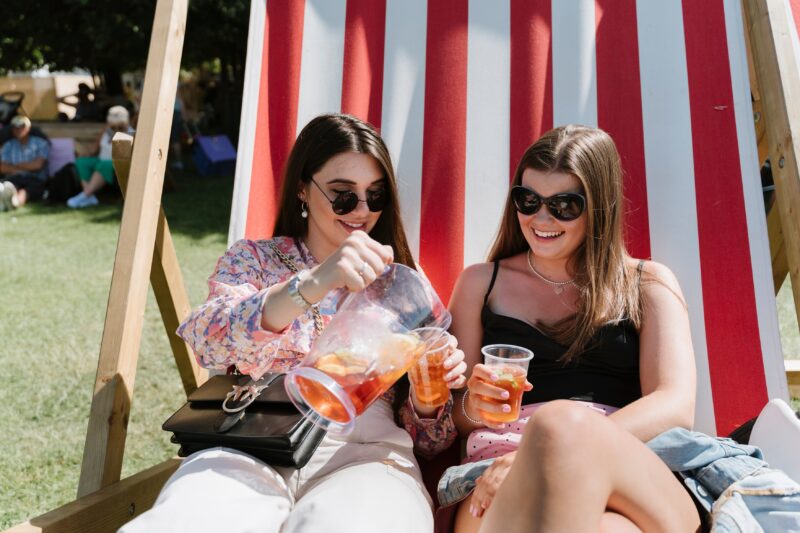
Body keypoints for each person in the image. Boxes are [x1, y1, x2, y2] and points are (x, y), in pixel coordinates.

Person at [119, 113, 468, 533]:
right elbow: (207, 339)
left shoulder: (402, 284)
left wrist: (429, 396)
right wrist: (315, 282)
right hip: (252, 443)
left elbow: (432, 443)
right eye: (343, 195)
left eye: (375, 196)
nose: (362, 210)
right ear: (303, 188)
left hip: (367, 455)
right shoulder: (256, 259)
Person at [445, 125, 701, 533]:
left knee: (558, 423)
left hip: (628, 465)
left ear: (599, 208)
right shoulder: (480, 283)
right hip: (501, 469)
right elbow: (456, 415)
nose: (541, 218)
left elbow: (675, 404)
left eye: (564, 205)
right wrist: (473, 406)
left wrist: (564, 441)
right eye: (528, 200)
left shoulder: (647, 284)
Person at [67, 105, 135, 208]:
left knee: (104, 164)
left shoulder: (131, 133)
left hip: (117, 164)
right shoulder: (107, 130)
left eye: (118, 126)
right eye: (113, 126)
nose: (115, 128)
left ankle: (85, 194)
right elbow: (95, 149)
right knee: (82, 162)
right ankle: (90, 197)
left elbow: (124, 157)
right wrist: (84, 151)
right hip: (101, 159)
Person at [0, 115, 50, 211]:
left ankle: (15, 203)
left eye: (22, 126)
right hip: (14, 178)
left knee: (25, 191)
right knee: (8, 186)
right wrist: (27, 166)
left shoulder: (41, 143)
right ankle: (6, 201)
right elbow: (3, 168)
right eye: (15, 127)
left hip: (35, 179)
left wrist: (15, 166)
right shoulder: (8, 145)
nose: (18, 130)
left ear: (28, 128)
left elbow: (37, 165)